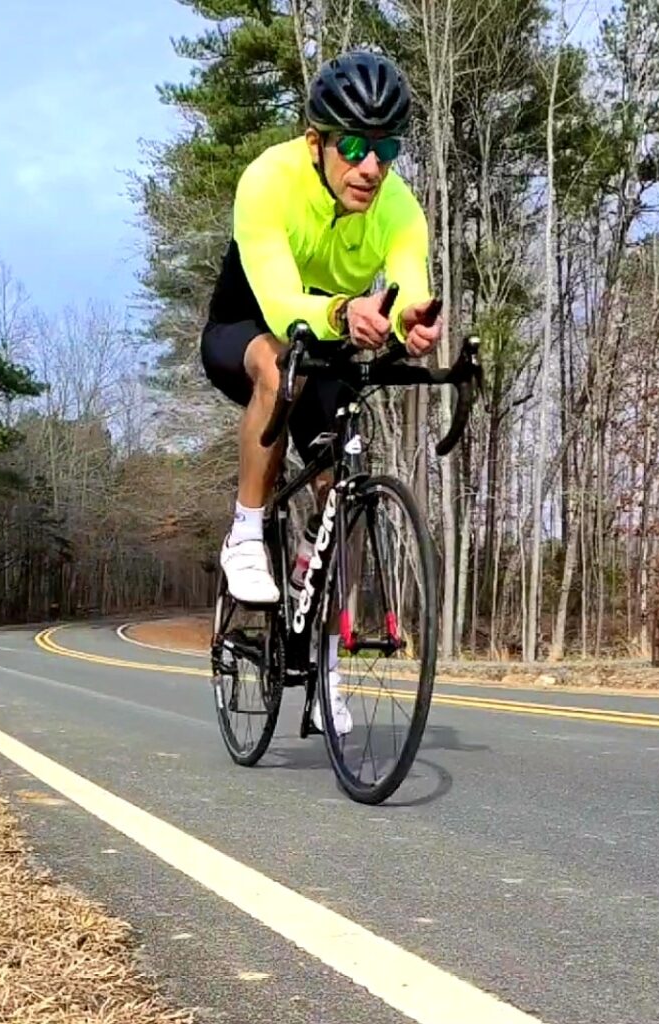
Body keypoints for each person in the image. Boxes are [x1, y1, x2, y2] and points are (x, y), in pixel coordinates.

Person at [201, 49, 442, 731]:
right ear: (317, 141)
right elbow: (280, 302)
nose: (371, 166)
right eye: (357, 145)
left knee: (343, 478)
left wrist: (412, 322)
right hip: (246, 327)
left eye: (387, 148)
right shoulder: (268, 180)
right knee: (279, 368)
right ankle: (247, 530)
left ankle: (324, 644)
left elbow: (407, 286)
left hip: (329, 339)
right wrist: (343, 313)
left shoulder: (399, 207)